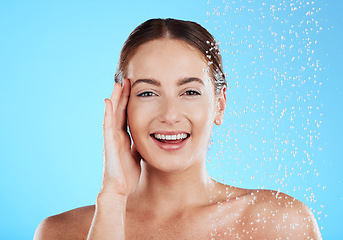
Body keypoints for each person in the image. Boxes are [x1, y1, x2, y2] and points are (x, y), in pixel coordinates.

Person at [34, 18, 322, 239]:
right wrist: (112, 198)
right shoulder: (62, 232)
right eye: (148, 93)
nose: (170, 115)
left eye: (190, 92)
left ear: (220, 105)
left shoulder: (280, 222)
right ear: (123, 107)